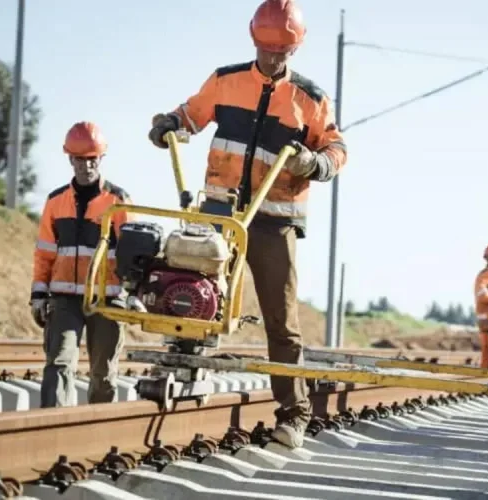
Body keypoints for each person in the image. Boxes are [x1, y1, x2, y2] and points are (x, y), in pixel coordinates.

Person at [146, 0, 347, 449]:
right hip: (219, 211)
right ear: (255, 40)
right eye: (269, 49)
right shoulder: (225, 80)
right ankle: (181, 367)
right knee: (193, 292)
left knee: (281, 319)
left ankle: (293, 414)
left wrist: (316, 162)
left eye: (285, 52)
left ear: (295, 49)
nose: (276, 58)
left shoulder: (310, 99)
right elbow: (190, 115)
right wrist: (169, 125)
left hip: (274, 221)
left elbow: (336, 148)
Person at [30, 122, 130, 408]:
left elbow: (132, 257)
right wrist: (38, 295)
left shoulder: (118, 201)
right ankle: (51, 430)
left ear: (100, 159)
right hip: (64, 300)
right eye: (79, 159)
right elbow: (44, 254)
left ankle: (96, 432)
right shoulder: (55, 202)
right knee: (58, 364)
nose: (86, 166)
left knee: (103, 374)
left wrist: (130, 296)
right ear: (70, 159)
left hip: (107, 301)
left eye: (91, 159)